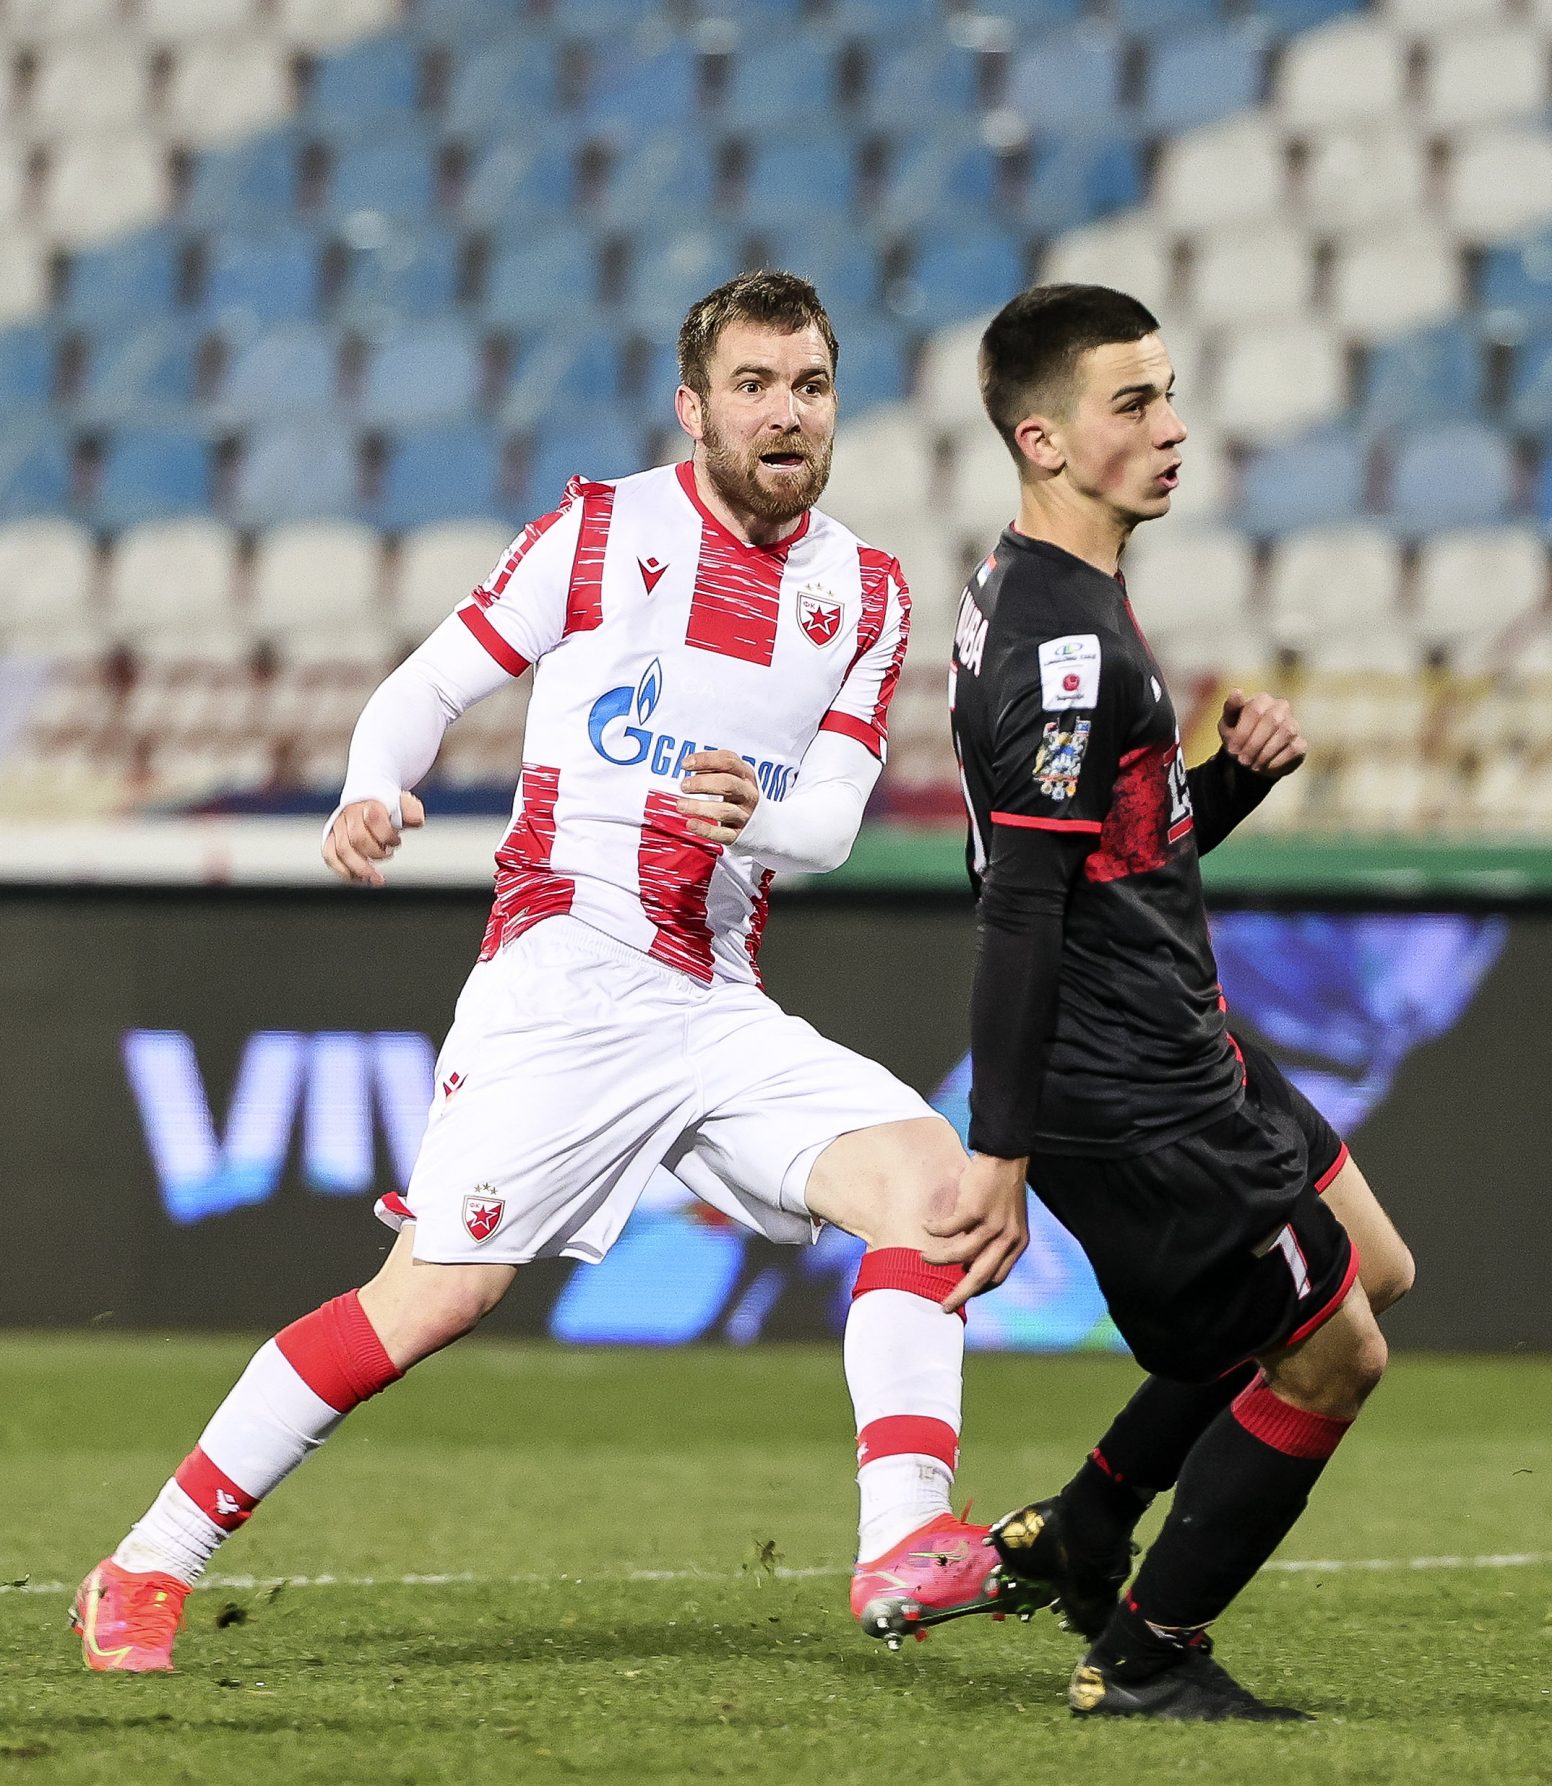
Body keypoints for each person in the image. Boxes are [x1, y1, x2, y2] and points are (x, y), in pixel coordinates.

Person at [73, 271, 1027, 1673]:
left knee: (931, 1188)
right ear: (693, 406)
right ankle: (145, 1562)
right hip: (564, 979)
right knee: (433, 1299)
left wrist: (745, 815)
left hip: (712, 999)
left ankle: (902, 1538)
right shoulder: (600, 532)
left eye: (810, 386)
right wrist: (372, 783)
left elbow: (825, 820)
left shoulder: (865, 592)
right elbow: (428, 685)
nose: (785, 413)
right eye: (753, 386)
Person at [928, 284, 1417, 1721]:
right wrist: (1001, 1152)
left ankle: (1089, 1518)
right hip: (1130, 1082)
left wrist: (1227, 787)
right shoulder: (1060, 644)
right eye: (1132, 403)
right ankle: (1148, 1650)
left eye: (1169, 392)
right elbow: (1019, 907)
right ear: (1044, 438)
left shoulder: (1058, 595)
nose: (1171, 428)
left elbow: (1109, 860)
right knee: (1336, 1348)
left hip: (1179, 1035)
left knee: (1368, 1265)